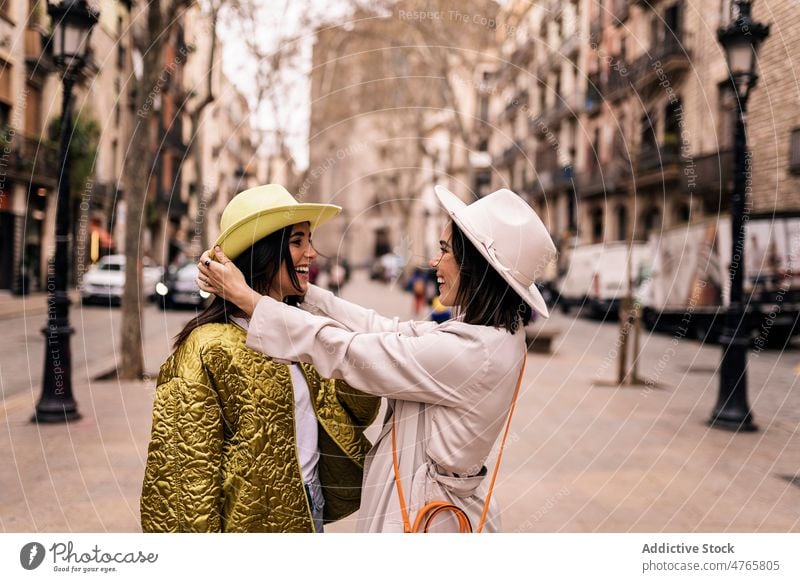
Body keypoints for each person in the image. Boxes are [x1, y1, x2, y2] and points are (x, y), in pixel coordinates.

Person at [197, 186, 557, 532]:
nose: (434, 261)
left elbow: (350, 352)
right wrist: (303, 291)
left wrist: (252, 300)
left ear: (476, 267)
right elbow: (384, 329)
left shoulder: (471, 353)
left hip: (426, 521)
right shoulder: (490, 336)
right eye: (296, 243)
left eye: (445, 250)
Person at [140, 184, 379, 533]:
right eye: (297, 242)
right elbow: (183, 488)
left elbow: (355, 412)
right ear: (264, 253)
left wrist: (343, 336)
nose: (312, 253)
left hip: (309, 512)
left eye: (309, 241)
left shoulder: (300, 333)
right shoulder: (207, 348)